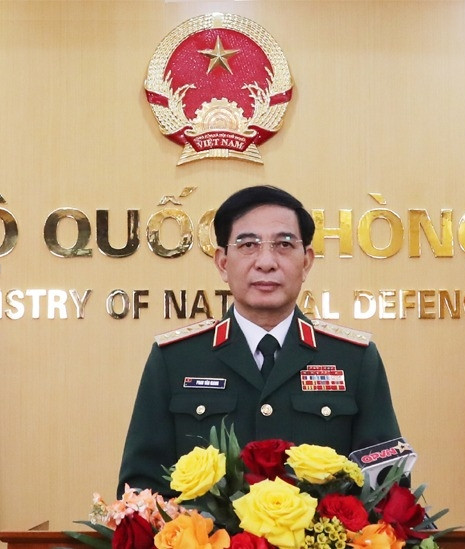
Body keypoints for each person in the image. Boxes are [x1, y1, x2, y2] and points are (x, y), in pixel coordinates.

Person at [117, 185, 400, 496]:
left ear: (306, 262)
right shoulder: (176, 359)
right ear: (223, 263)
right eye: (248, 245)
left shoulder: (354, 359)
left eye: (284, 245)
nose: (266, 262)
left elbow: (386, 484)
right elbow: (141, 489)